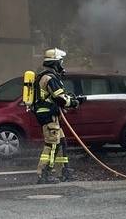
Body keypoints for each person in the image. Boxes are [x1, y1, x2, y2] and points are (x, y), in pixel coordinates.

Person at [33, 48, 84, 184]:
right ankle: (44, 174)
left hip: (51, 116)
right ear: (55, 63)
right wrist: (73, 102)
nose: (62, 65)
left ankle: (63, 171)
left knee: (61, 143)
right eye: (61, 62)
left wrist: (72, 100)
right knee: (52, 144)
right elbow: (60, 99)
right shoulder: (49, 78)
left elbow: (58, 97)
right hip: (49, 116)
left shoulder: (49, 76)